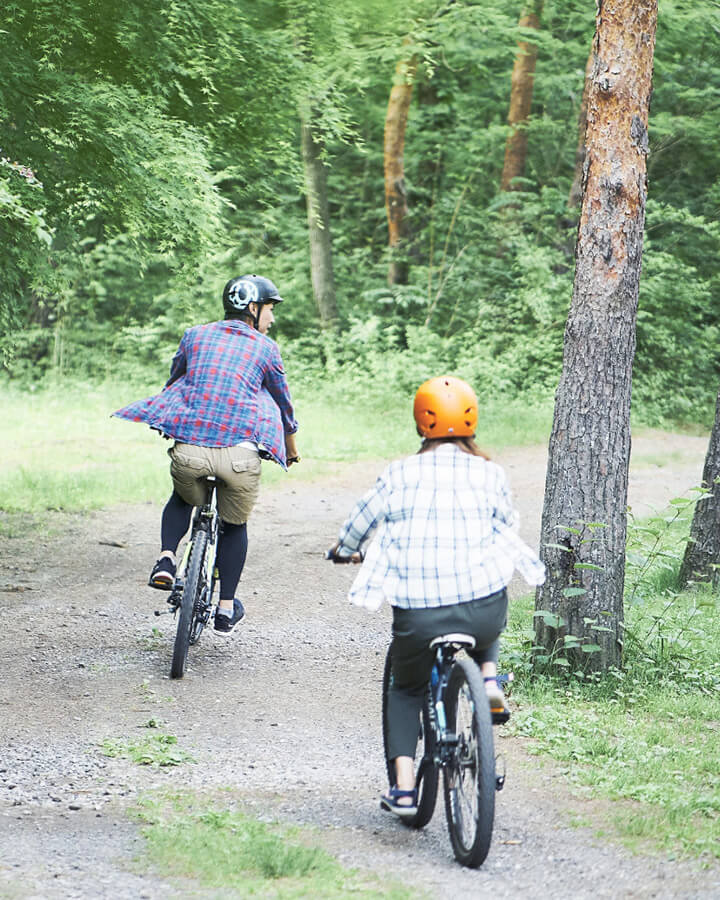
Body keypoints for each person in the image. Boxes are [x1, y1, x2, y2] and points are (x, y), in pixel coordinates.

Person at [327, 375, 544, 817]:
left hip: (419, 615)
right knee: (488, 597)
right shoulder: (490, 472)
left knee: (405, 690)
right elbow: (507, 524)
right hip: (482, 609)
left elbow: (360, 521)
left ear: (420, 421)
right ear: (472, 420)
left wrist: (344, 550)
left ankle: (405, 790)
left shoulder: (399, 473)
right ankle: (487, 679)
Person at [114, 274, 299, 635]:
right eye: (270, 309)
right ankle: (227, 608)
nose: (272, 318)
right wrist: (290, 449)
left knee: (182, 498)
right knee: (234, 526)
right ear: (253, 308)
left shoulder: (194, 336)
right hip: (239, 458)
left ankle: (167, 558)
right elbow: (283, 404)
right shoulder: (266, 349)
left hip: (190, 455)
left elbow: (175, 382)